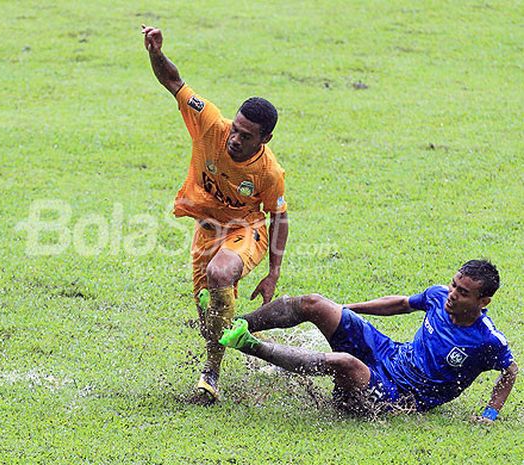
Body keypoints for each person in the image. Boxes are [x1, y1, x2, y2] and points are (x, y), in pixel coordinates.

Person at [142, 25, 289, 402]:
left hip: (246, 230)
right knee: (210, 320)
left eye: (246, 136)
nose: (235, 139)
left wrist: (273, 273)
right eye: (235, 130)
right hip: (206, 232)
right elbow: (174, 82)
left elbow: (279, 218)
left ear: (265, 139)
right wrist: (156, 53)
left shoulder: (268, 172)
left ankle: (211, 374)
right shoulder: (209, 123)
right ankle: (221, 347)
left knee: (220, 272)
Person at [220, 260, 518, 421]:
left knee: (344, 363)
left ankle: (249, 345)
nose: (453, 293)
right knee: (315, 303)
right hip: (389, 354)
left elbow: (511, 371)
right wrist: (344, 310)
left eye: (463, 293)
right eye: (454, 284)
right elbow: (400, 303)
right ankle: (234, 323)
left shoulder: (487, 340)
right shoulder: (438, 296)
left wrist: (490, 413)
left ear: (483, 300)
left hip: (399, 395)